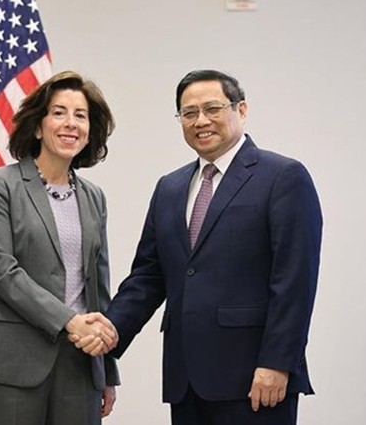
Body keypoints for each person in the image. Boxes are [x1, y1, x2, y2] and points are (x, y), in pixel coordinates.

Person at [72, 69, 322, 424]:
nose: (200, 120)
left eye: (212, 108)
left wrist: (277, 362)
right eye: (189, 113)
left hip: (255, 379)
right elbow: (148, 276)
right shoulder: (170, 188)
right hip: (186, 380)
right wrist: (110, 330)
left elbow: (295, 282)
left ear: (242, 110)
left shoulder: (283, 177)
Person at [0, 70, 120, 425]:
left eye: (81, 116)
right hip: (12, 363)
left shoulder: (94, 197)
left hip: (80, 362)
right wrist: (69, 321)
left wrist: (106, 372)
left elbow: (98, 286)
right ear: (38, 126)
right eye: (59, 112)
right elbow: (2, 272)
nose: (71, 124)